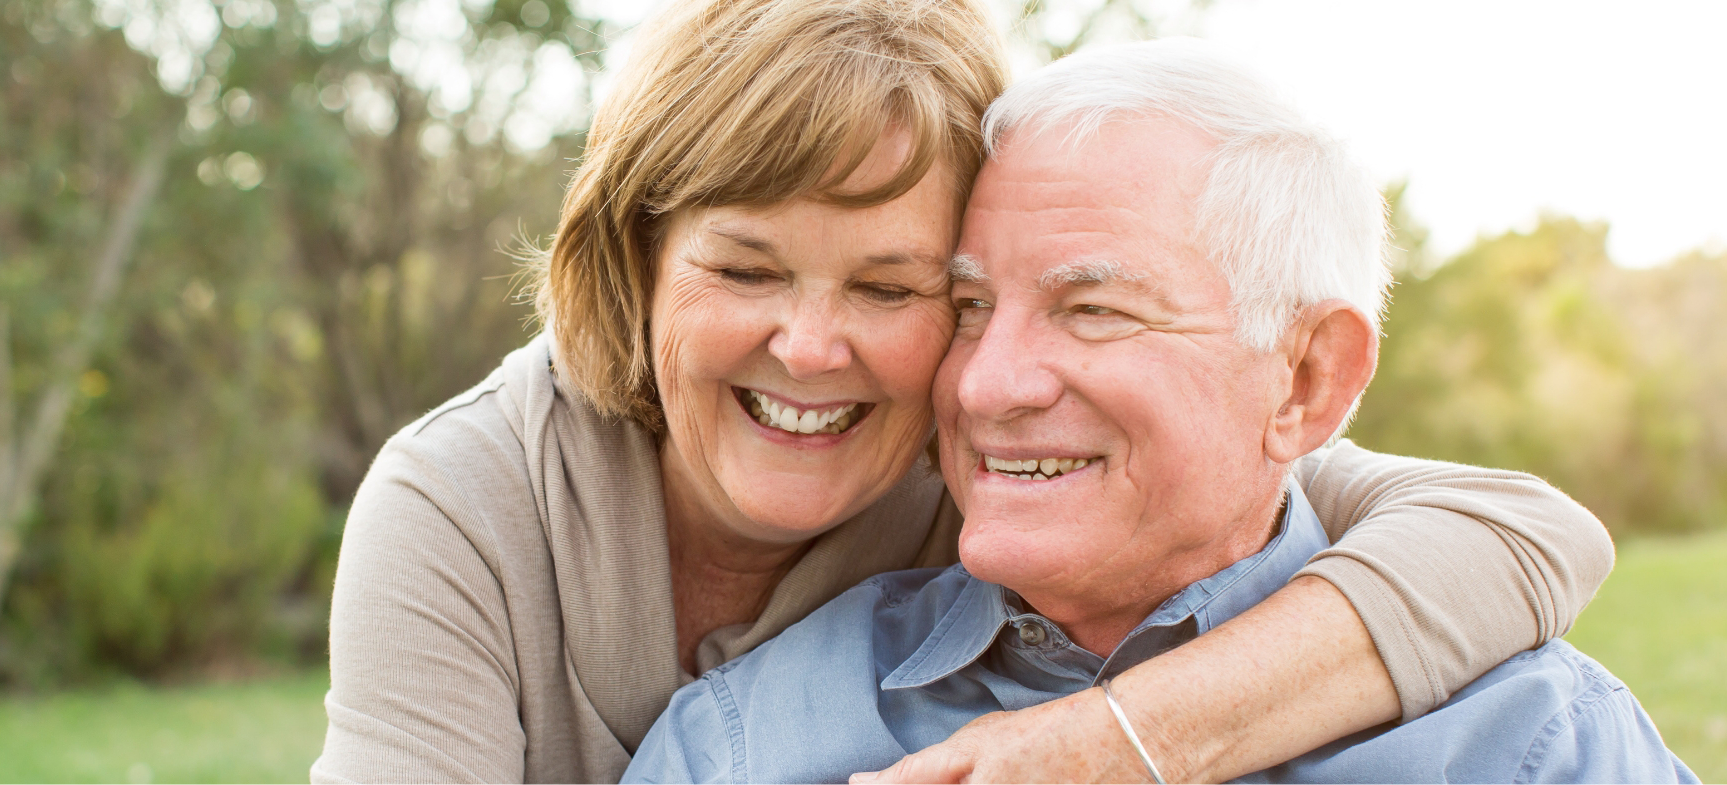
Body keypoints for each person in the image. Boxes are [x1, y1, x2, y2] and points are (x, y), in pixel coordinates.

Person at [312, 2, 1616, 783]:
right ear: (636, 264)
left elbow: (1523, 533)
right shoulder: (472, 503)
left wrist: (1117, 742)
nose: (815, 349)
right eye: (744, 268)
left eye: (895, 288)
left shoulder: (976, 433)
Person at [622, 38, 1696, 785]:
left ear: (1308, 379)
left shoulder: (1533, 741)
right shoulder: (746, 739)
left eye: (1093, 309)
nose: (989, 383)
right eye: (968, 305)